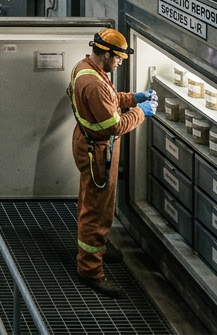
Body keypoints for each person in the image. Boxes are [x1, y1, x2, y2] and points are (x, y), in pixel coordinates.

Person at [67, 28, 157, 298]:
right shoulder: (94, 82)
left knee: (90, 200)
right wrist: (141, 113)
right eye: (118, 59)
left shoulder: (86, 68)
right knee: (97, 209)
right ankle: (91, 269)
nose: (120, 63)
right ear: (106, 54)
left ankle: (98, 246)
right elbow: (114, 126)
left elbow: (107, 100)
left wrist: (133, 98)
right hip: (98, 151)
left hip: (88, 144)